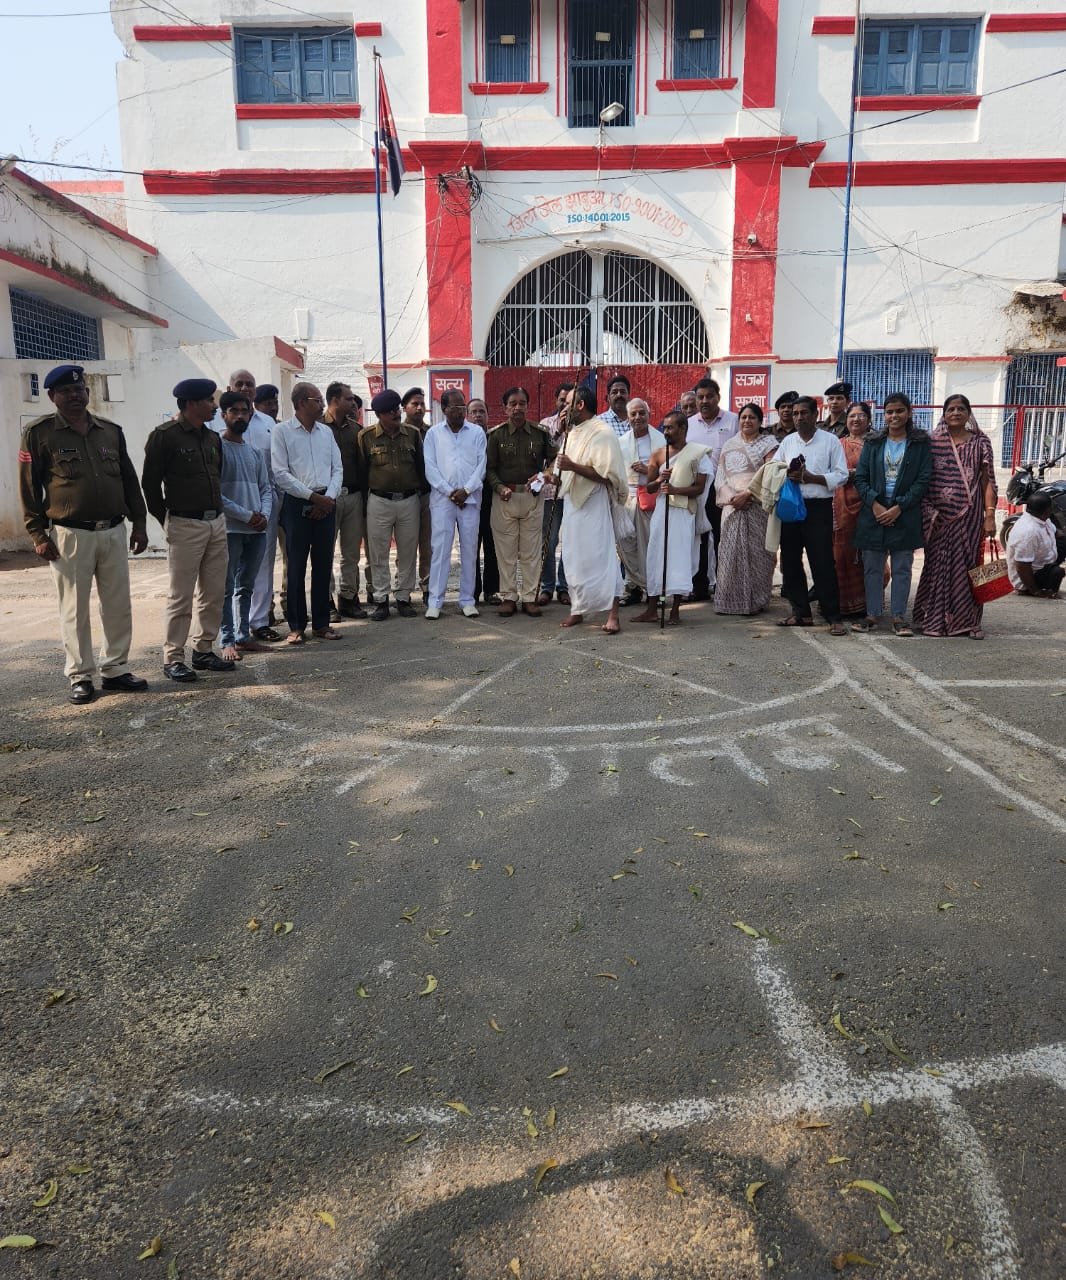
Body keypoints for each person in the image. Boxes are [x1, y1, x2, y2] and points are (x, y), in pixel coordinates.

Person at [18, 363, 149, 704]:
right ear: (52, 396)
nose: (75, 396)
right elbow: (29, 488)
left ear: (88, 393)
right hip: (69, 535)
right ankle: (80, 675)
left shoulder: (109, 431)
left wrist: (140, 523)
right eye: (66, 391)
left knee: (117, 604)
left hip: (113, 530)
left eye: (80, 390)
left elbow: (129, 480)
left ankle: (116, 669)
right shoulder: (40, 433)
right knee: (74, 608)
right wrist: (38, 534)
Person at [142, 378, 233, 681]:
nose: (214, 405)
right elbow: (150, 485)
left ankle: (204, 649)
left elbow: (217, 475)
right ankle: (173, 657)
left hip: (215, 522)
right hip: (184, 523)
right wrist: (167, 520)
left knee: (214, 591)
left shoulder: (211, 438)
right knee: (180, 595)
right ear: (191, 403)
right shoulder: (164, 437)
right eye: (209, 400)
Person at [913, 394, 998, 639]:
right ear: (944, 413)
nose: (956, 413)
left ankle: (968, 621)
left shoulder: (981, 443)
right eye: (951, 409)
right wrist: (930, 510)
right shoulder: (933, 442)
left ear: (969, 413)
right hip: (938, 517)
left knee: (968, 566)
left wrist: (989, 515)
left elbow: (988, 482)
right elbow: (923, 479)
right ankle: (933, 619)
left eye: (961, 409)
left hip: (970, 516)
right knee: (935, 566)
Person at [851, 393, 933, 635]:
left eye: (899, 411)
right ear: (884, 415)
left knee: (902, 568)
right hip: (873, 513)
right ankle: (872, 614)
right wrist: (876, 505)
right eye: (889, 412)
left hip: (904, 514)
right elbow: (861, 478)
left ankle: (899, 617)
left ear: (908, 412)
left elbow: (923, 480)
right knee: (872, 567)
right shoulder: (873, 442)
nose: (894, 416)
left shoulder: (919, 444)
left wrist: (899, 507)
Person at [272, 382, 342, 644]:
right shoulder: (281, 432)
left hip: (326, 503)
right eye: (317, 400)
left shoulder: (326, 432)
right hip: (297, 504)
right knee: (296, 566)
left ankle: (322, 624)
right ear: (301, 402)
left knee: (323, 565)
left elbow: (338, 468)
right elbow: (280, 473)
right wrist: (313, 498)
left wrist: (328, 499)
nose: (322, 404)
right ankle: (297, 625)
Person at [774, 395, 849, 634]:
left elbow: (841, 474)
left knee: (822, 562)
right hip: (792, 506)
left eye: (803, 413)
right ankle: (800, 613)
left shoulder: (830, 441)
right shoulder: (787, 442)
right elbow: (774, 468)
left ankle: (832, 616)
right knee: (791, 561)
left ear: (816, 415)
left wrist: (812, 478)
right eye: (795, 414)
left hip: (818, 508)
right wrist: (788, 475)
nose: (798, 417)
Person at [557, 385, 629, 634]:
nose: (563, 408)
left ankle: (613, 614)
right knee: (574, 557)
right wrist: (551, 476)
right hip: (572, 504)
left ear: (580, 405)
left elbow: (607, 476)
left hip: (594, 502)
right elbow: (563, 469)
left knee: (602, 557)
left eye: (567, 403)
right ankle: (578, 609)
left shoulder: (603, 433)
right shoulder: (573, 432)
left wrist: (572, 466)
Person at [634, 412, 714, 626]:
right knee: (656, 556)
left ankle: (675, 610)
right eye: (665, 428)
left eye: (671, 428)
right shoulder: (658, 455)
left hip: (683, 513)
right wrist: (661, 478)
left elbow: (699, 487)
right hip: (662, 511)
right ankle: (652, 609)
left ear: (683, 429)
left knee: (678, 559)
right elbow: (649, 488)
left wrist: (676, 489)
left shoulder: (698, 454)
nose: (666, 432)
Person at [485, 386, 556, 617]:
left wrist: (546, 474)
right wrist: (499, 487)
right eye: (512, 403)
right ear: (505, 408)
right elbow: (489, 469)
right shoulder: (495, 435)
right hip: (504, 498)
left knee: (531, 551)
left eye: (522, 403)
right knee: (505, 552)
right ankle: (508, 596)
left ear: (527, 405)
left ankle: (528, 598)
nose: (517, 408)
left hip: (532, 498)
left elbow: (555, 459)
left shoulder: (540, 433)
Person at [359, 388, 426, 620]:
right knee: (378, 552)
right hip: (379, 499)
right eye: (390, 411)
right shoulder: (366, 437)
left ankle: (404, 597)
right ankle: (381, 600)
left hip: (409, 499)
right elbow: (362, 471)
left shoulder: (413, 434)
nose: (396, 414)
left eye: (397, 409)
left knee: (408, 551)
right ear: (379, 414)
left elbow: (420, 466)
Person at [217, 391, 272, 661]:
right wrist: (246, 515)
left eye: (244, 411)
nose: (240, 416)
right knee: (226, 586)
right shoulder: (216, 448)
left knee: (246, 586)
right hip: (230, 529)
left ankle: (243, 636)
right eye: (234, 411)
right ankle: (227, 640)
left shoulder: (254, 452)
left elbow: (266, 487)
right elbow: (216, 494)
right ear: (223, 414)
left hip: (256, 529)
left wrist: (263, 514)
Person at [422, 390, 487, 619]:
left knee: (469, 549)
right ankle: (435, 601)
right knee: (441, 550)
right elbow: (430, 468)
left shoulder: (477, 433)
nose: (460, 412)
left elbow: (481, 465)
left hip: (469, 500)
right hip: (443, 501)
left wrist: (466, 490)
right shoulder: (433, 435)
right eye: (455, 408)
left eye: (463, 408)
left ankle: (467, 600)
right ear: (444, 409)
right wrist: (451, 492)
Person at [714, 402, 779, 616]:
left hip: (757, 505)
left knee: (759, 554)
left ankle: (756, 600)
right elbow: (721, 477)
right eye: (743, 417)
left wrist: (748, 494)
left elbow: (771, 475)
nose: (747, 421)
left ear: (760, 421)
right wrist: (733, 497)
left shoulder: (769, 444)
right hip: (732, 506)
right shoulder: (729, 444)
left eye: (752, 417)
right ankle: (729, 600)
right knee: (729, 552)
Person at [687, 376, 738, 595]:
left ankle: (723, 584)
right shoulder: (688, 424)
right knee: (698, 538)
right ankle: (699, 585)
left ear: (718, 397)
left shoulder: (733, 420)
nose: (705, 401)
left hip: (723, 489)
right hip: (696, 489)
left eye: (709, 396)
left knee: (722, 537)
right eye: (700, 397)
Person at [323, 381, 370, 619]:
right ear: (334, 400)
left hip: (352, 497)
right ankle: (326, 602)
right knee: (325, 552)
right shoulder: (318, 427)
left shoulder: (356, 430)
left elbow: (362, 467)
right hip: (326, 499)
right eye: (349, 399)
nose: (354, 403)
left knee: (351, 553)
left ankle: (348, 598)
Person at [618, 397, 666, 606]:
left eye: (641, 413)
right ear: (628, 418)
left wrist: (648, 471)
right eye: (633, 414)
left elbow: (671, 470)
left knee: (649, 545)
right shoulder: (621, 442)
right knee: (627, 544)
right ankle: (632, 586)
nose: (638, 417)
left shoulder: (661, 440)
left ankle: (652, 590)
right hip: (627, 498)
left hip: (651, 498)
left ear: (649, 414)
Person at [249, 383, 285, 641]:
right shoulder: (217, 422)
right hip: (233, 504)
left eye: (248, 385)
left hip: (270, 501)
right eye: (239, 384)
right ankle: (234, 625)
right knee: (235, 568)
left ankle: (260, 620)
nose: (273, 406)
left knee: (264, 562)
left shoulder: (272, 426)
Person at [832, 401, 874, 617]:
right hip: (839, 507)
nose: (856, 419)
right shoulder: (837, 443)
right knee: (840, 555)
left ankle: (865, 604)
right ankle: (840, 604)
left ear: (869, 420)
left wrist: (855, 474)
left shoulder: (876, 445)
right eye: (851, 416)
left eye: (861, 416)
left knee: (866, 556)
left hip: (868, 506)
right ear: (846, 420)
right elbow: (828, 471)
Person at [538, 383, 574, 606]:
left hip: (572, 494)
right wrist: (559, 430)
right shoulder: (545, 425)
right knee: (548, 543)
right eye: (562, 400)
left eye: (568, 402)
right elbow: (541, 457)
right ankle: (547, 587)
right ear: (555, 401)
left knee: (569, 543)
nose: (564, 405)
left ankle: (564, 587)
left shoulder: (582, 427)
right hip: (550, 494)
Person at [467, 398, 501, 605]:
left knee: (492, 548)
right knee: (471, 548)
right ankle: (471, 592)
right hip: (470, 501)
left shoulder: (495, 438)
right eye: (474, 412)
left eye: (482, 411)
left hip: (493, 500)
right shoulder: (463, 440)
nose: (478, 415)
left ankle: (491, 591)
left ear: (488, 415)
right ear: (467, 416)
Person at [402, 387, 433, 601]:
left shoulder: (432, 433)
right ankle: (403, 591)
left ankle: (428, 588)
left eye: (422, 403)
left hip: (428, 496)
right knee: (406, 545)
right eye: (415, 403)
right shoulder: (397, 432)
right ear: (405, 407)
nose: (420, 407)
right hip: (406, 497)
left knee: (427, 544)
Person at [1006, 492, 1064, 597]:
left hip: (1042, 562)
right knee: (1058, 572)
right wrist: (1035, 591)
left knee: (1063, 543)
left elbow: (1057, 533)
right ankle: (1042, 591)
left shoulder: (1041, 518)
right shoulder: (1028, 532)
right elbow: (1022, 566)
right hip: (1028, 576)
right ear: (1047, 511)